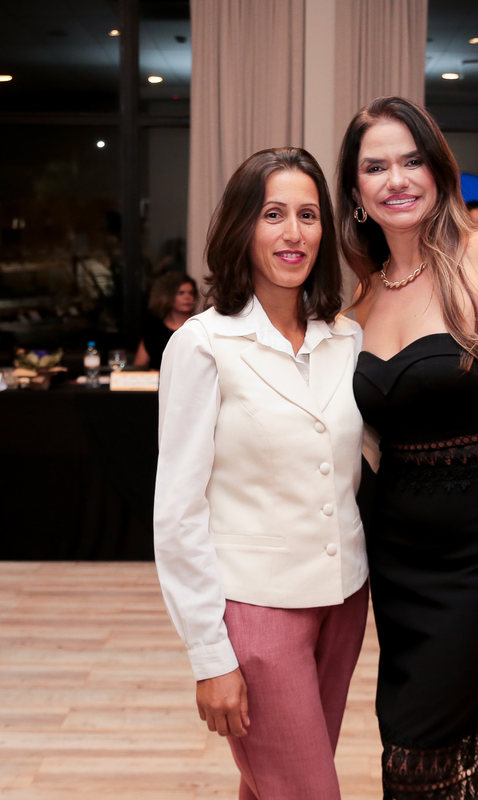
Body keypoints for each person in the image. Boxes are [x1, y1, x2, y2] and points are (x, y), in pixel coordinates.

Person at [339, 97, 478, 799]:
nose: (396, 179)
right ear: (356, 192)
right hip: (396, 556)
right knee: (404, 740)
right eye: (375, 167)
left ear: (438, 170)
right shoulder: (362, 298)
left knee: (423, 754)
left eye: (412, 160)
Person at [153, 147, 368, 800]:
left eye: (308, 214)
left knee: (274, 786)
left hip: (345, 601)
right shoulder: (202, 344)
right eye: (273, 214)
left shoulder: (346, 338)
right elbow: (178, 512)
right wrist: (209, 656)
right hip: (257, 608)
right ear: (242, 226)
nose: (293, 232)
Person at [134, 271, 197, 370]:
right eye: (181, 293)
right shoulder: (154, 331)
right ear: (168, 296)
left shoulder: (199, 326)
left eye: (191, 293)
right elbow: (138, 368)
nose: (187, 297)